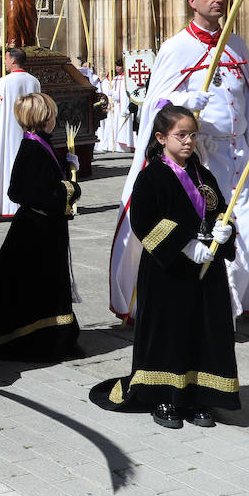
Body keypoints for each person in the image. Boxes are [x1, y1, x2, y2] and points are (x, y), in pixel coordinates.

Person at [108, 0, 249, 320]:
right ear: (192, 2)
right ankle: (215, 308)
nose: (219, 0)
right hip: (201, 157)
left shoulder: (236, 44)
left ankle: (228, 301)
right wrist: (184, 99)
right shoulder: (176, 47)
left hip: (242, 158)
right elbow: (156, 105)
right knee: (206, 232)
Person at [92, 106, 239, 429]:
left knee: (203, 330)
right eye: (181, 135)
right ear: (161, 138)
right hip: (168, 272)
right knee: (170, 331)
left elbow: (220, 209)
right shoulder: (152, 176)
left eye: (192, 135)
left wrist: (224, 231)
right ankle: (164, 396)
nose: (188, 141)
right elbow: (143, 221)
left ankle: (200, 395)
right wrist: (186, 245)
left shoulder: (204, 174)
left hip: (206, 269)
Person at [0, 92, 80, 359]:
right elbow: (19, 190)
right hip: (36, 231)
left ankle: (53, 332)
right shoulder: (31, 147)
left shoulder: (41, 143)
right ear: (43, 118)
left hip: (46, 228)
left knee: (44, 282)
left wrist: (65, 165)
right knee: (27, 283)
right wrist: (67, 190)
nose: (55, 118)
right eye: (52, 113)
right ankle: (34, 335)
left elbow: (43, 177)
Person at [0, 48, 44, 220]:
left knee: (4, 165)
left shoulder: (4, 82)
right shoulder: (34, 81)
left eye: (5, 59)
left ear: (13, 60)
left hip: (6, 131)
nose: (4, 62)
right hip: (28, 131)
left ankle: (4, 206)